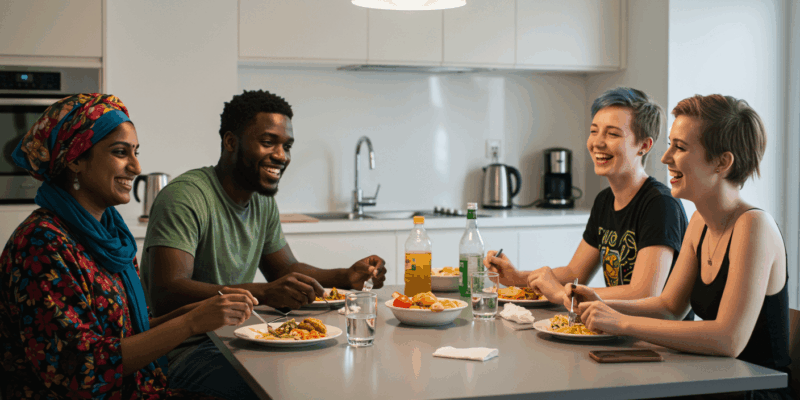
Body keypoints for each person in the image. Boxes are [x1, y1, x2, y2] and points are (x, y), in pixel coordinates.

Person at [0, 94, 257, 399]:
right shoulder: (42, 244)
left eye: (135, 152)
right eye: (121, 152)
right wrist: (191, 322)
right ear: (76, 159)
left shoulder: (111, 237)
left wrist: (204, 308)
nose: (135, 167)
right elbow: (81, 372)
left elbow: (132, 329)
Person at [139, 89, 387, 398]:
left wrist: (344, 276)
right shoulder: (185, 197)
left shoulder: (260, 200)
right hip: (181, 351)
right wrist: (264, 293)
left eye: (287, 146)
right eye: (268, 142)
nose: (282, 156)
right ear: (231, 142)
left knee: (326, 367)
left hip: (237, 336)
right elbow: (167, 293)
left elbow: (284, 269)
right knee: (283, 384)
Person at [572, 94, 791, 399]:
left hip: (755, 391)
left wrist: (621, 323)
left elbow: (728, 339)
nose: (665, 157)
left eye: (681, 147)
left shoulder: (754, 226)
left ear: (722, 162)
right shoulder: (700, 220)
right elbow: (669, 308)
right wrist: (601, 303)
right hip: (717, 380)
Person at [485, 87, 690, 314]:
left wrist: (563, 293)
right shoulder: (605, 200)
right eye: (594, 131)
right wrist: (517, 277)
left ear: (644, 146)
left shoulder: (659, 204)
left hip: (654, 342)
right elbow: (576, 271)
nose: (598, 143)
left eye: (612, 134)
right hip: (620, 331)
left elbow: (644, 293)